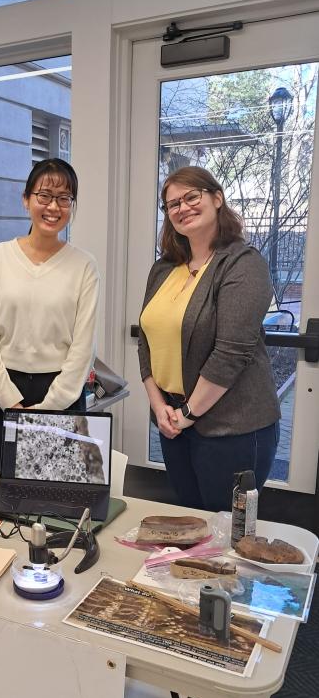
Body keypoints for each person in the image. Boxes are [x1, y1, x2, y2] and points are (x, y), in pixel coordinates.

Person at [137, 165, 280, 512]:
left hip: (234, 428)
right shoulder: (163, 269)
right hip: (174, 421)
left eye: (191, 197)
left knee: (227, 533)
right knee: (190, 520)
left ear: (217, 199)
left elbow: (231, 352)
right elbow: (146, 340)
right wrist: (159, 407)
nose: (182, 208)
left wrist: (187, 412)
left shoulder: (243, 264)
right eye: (172, 204)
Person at [0, 158, 100, 471]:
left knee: (58, 497)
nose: (53, 207)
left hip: (62, 394)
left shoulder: (84, 266)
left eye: (64, 198)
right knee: (1, 492)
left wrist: (50, 407)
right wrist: (8, 399)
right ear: (26, 200)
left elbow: (83, 347)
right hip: (4, 391)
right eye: (44, 196)